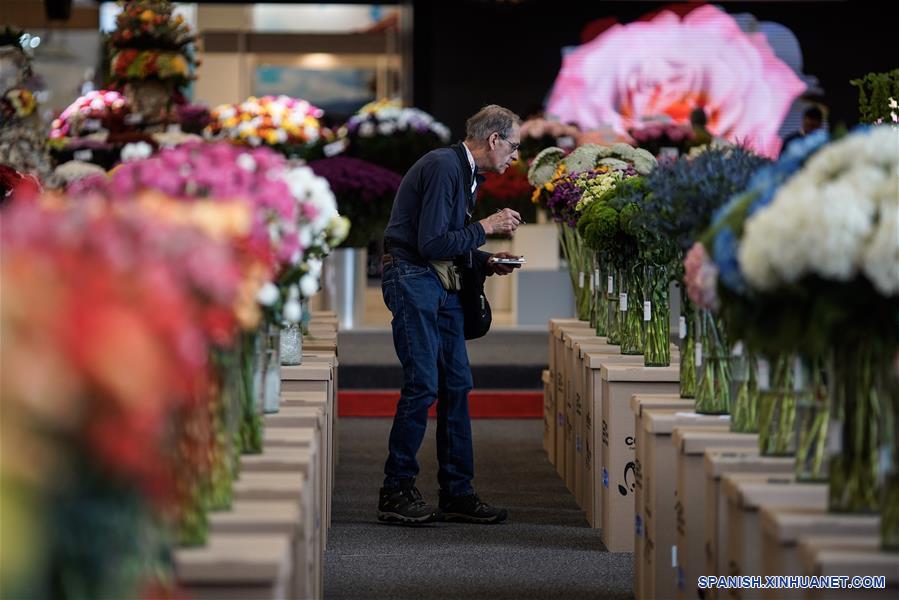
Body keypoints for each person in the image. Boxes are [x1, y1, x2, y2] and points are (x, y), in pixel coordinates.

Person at [377, 104, 524, 525]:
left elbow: (445, 242)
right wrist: (487, 226)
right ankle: (395, 489)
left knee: (457, 384)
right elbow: (430, 243)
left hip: (436, 280)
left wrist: (484, 260)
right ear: (494, 140)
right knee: (423, 384)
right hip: (413, 277)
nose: (515, 156)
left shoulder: (463, 171)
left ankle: (457, 492)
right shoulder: (445, 166)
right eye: (513, 146)